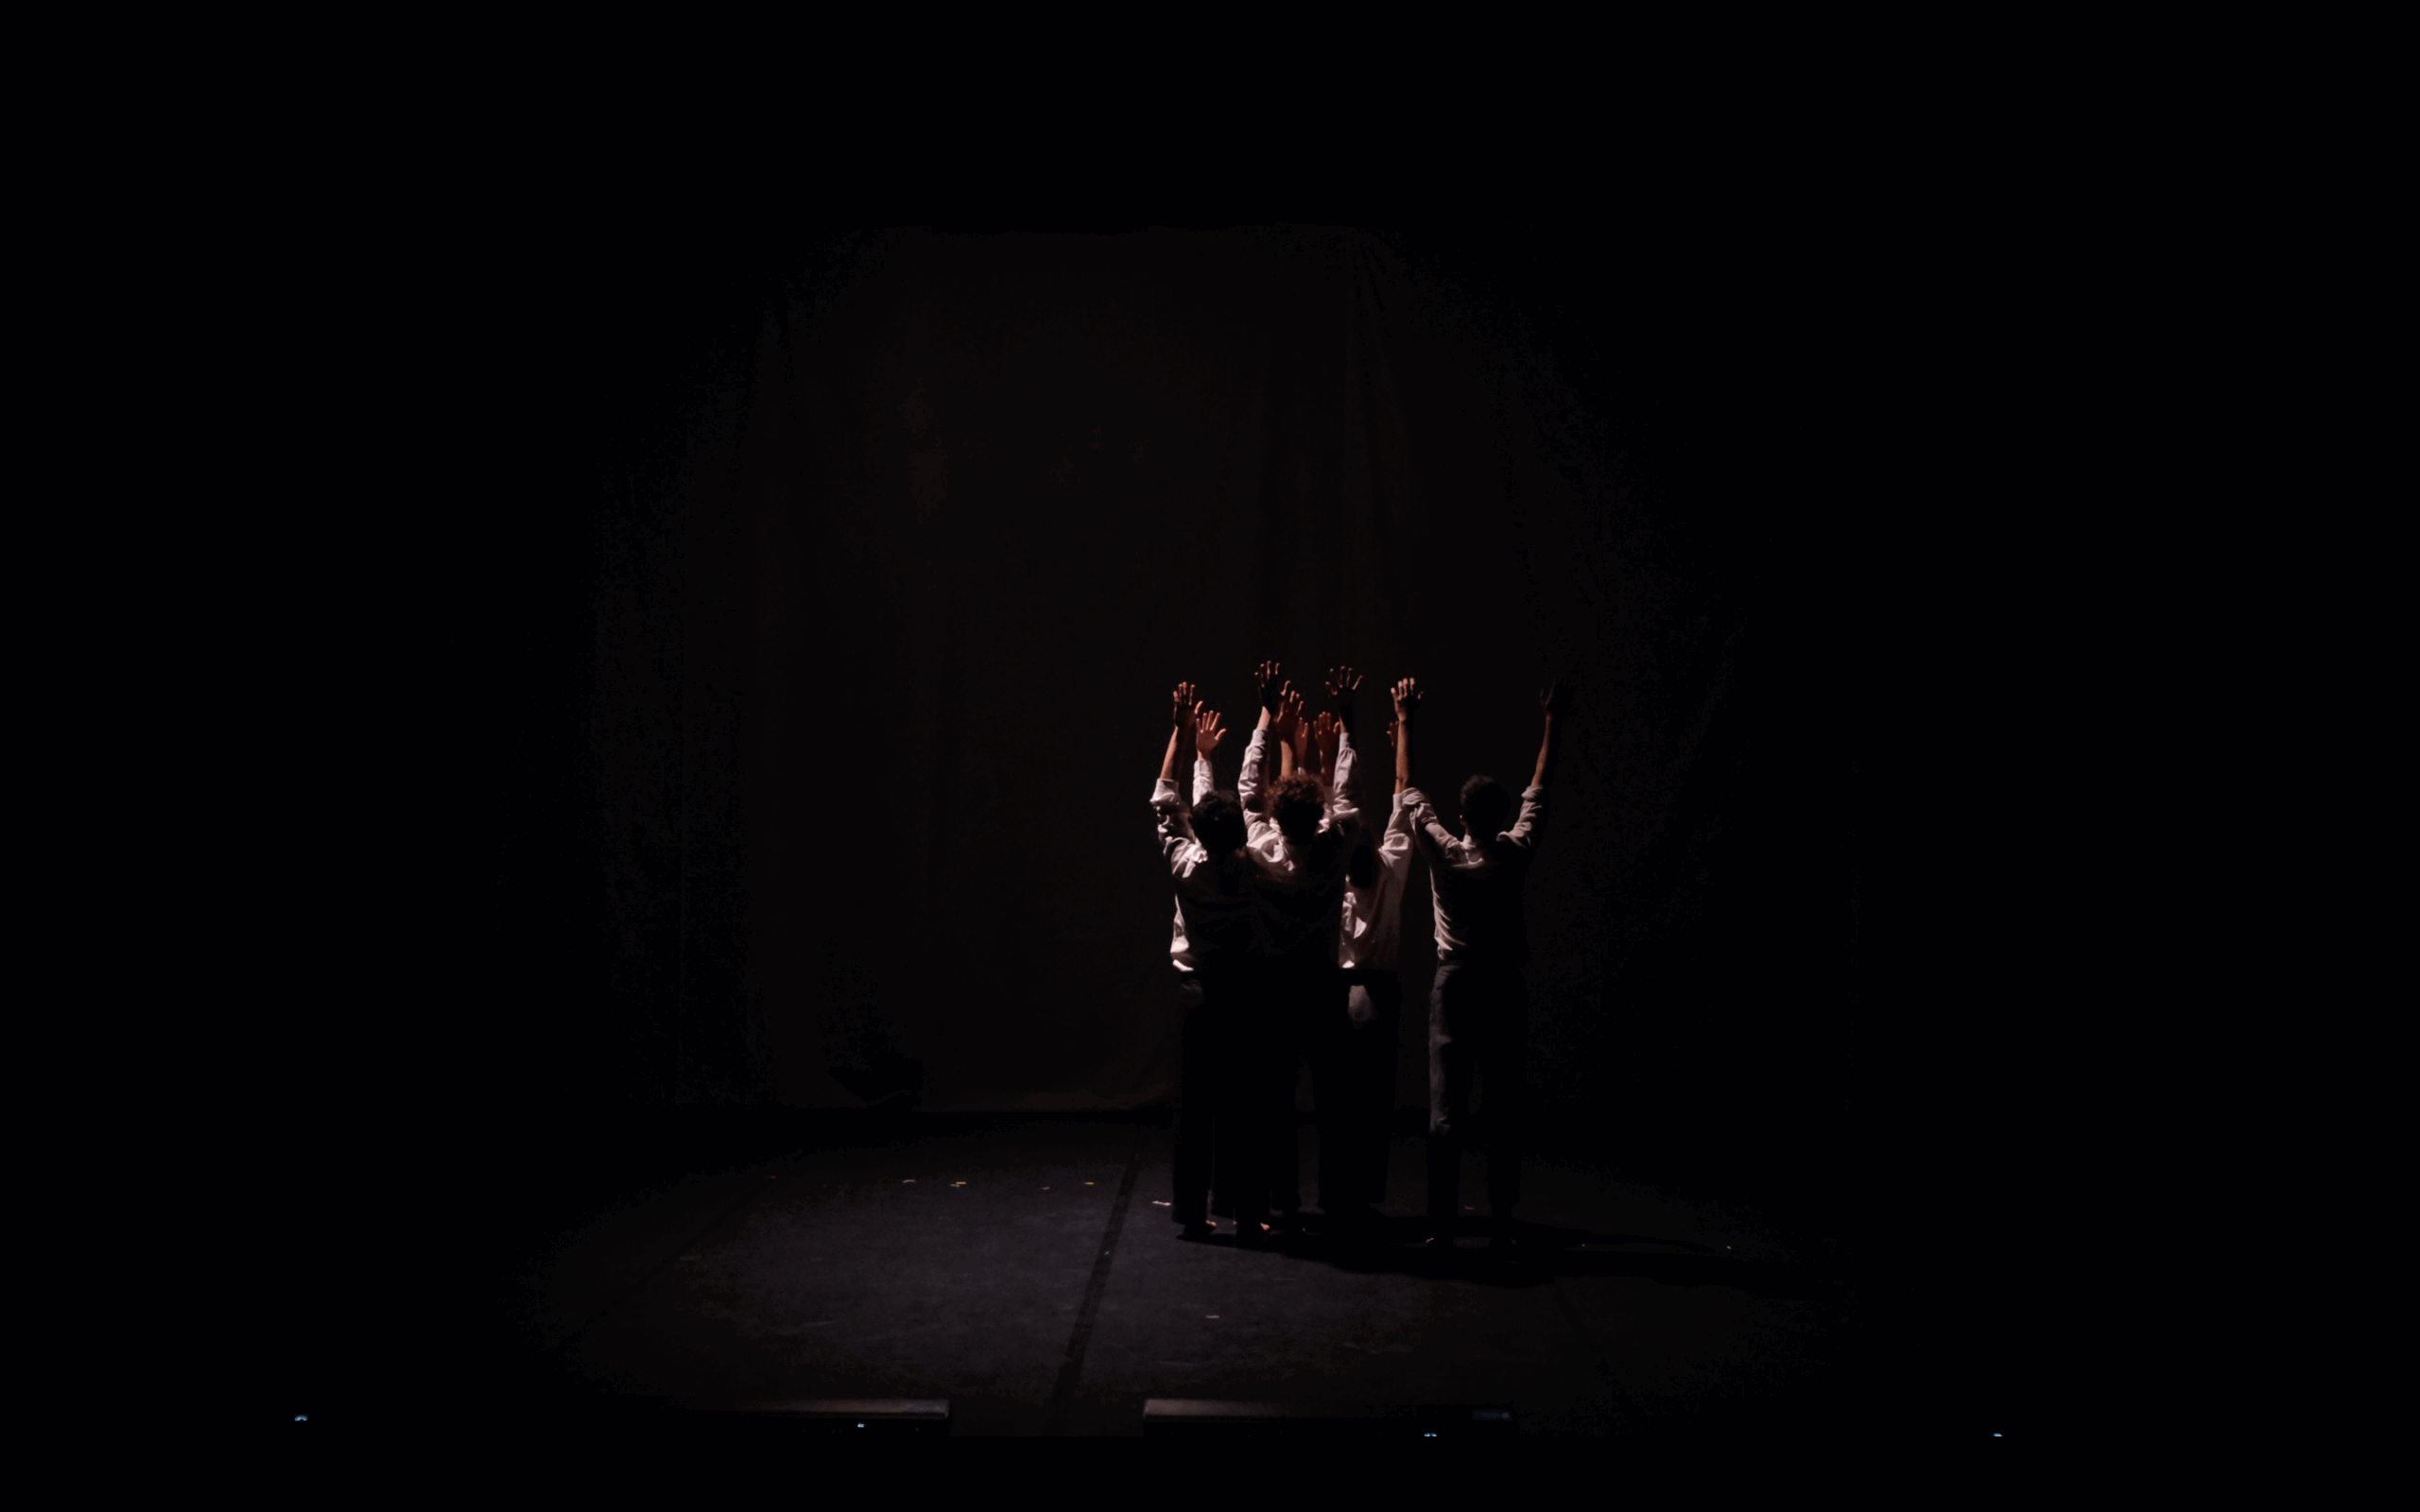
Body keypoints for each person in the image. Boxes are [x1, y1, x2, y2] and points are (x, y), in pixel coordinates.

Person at [1404, 679, 1569, 1250]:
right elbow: (1539, 791)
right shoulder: (1513, 854)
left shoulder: (1446, 855)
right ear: (1499, 819)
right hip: (1502, 985)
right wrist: (1552, 721)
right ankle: (1500, 1217)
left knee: (1446, 1107)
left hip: (1456, 985)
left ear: (1462, 816)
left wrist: (1405, 721)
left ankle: (1443, 1223)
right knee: (1502, 1103)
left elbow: (1409, 793)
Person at [1235, 661, 1360, 1234]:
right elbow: (1348, 798)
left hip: (1273, 990)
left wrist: (1266, 718)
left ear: (1278, 816)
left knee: (1274, 1100)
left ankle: (1281, 1199)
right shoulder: (1333, 852)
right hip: (1321, 988)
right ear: (1317, 817)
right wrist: (1347, 723)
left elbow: (1247, 794)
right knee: (1333, 1100)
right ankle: (1335, 1199)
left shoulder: (1262, 850)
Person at [1151, 682, 1261, 1241]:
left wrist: (1185, 740)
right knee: (1240, 1106)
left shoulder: (1185, 865)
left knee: (1194, 1108)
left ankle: (1192, 1212)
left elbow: (1165, 803)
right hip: (1240, 995)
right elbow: (1207, 817)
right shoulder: (1256, 871)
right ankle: (1242, 1209)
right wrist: (1207, 760)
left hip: (1197, 998)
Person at [1319, 675, 1421, 1228]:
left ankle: (1337, 1193)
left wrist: (1345, 725)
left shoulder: (1331, 881)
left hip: (1341, 992)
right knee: (1372, 1099)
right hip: (1379, 990)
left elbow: (1342, 803)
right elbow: (1403, 791)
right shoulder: (1392, 869)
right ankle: (1359, 1194)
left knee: (1338, 1100)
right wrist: (1403, 723)